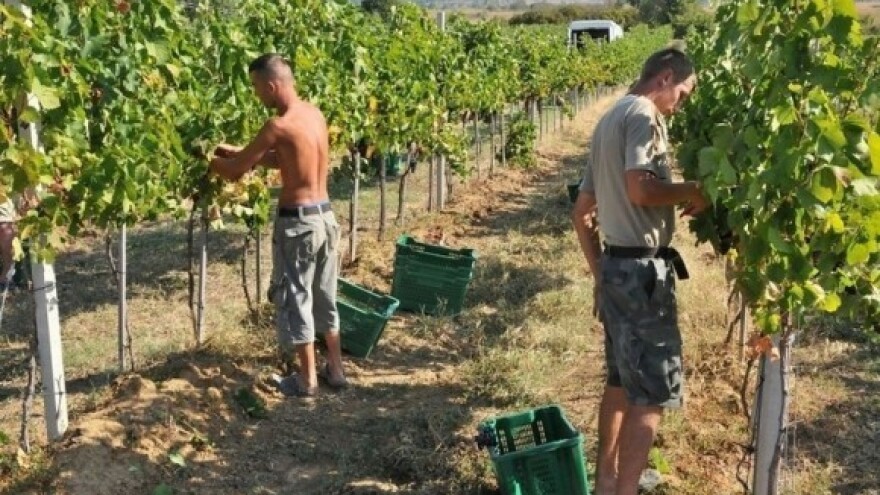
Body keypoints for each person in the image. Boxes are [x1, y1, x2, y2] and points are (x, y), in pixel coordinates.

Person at [570, 47, 708, 495]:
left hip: (616, 267)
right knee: (652, 392)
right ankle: (625, 490)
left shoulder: (609, 119)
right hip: (642, 274)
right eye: (682, 94)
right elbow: (641, 190)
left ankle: (607, 481)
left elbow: (582, 212)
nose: (679, 105)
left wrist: (600, 272)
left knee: (619, 381)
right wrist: (695, 190)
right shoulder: (645, 114)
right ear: (666, 78)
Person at [209, 53, 346, 398]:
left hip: (298, 225)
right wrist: (241, 150)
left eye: (257, 88)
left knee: (296, 296)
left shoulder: (277, 125)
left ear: (271, 85)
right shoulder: (314, 115)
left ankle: (307, 380)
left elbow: (235, 171)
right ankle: (337, 369)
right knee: (324, 295)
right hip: (326, 218)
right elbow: (287, 157)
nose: (257, 95)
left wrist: (205, 160)